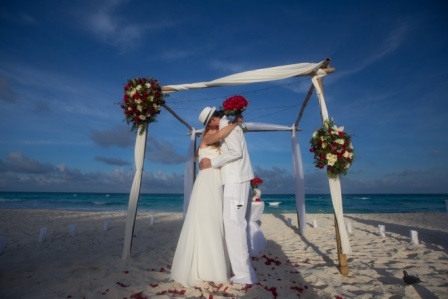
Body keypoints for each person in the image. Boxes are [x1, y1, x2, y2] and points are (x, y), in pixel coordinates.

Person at [170, 107, 242, 288]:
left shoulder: (216, 136)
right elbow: (220, 135)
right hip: (207, 182)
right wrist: (235, 122)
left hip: (214, 181)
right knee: (207, 220)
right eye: (217, 117)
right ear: (210, 122)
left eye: (219, 115)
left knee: (214, 220)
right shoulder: (208, 136)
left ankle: (212, 264)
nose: (220, 119)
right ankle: (207, 267)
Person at [199, 111, 257, 285]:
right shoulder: (229, 126)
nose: (211, 125)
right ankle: (243, 271)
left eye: (210, 122)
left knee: (234, 226)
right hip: (237, 180)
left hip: (236, 179)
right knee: (235, 225)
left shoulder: (226, 126)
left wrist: (213, 163)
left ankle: (243, 274)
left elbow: (236, 152)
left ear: (212, 120)